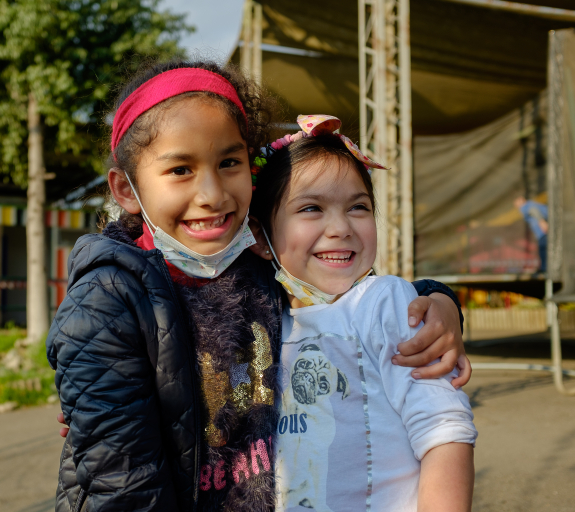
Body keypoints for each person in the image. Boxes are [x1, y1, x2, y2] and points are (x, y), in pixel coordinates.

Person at [46, 62, 471, 512]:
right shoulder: (109, 298)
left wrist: (437, 301)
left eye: (229, 163)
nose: (211, 194)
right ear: (126, 189)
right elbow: (122, 482)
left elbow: (345, 295)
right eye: (180, 169)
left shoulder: (252, 264)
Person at [249, 115, 476, 512]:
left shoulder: (385, 303)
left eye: (358, 207)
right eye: (311, 208)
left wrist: (441, 300)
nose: (340, 227)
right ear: (259, 236)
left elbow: (445, 431)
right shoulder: (261, 325)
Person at [514, 196, 548, 273]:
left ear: (521, 200)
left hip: (543, 233)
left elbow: (533, 210)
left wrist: (542, 222)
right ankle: (544, 268)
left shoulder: (526, 206)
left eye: (516, 203)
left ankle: (544, 268)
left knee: (543, 249)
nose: (516, 206)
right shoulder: (532, 204)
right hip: (543, 232)